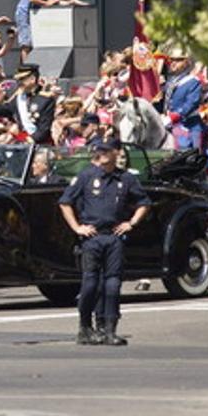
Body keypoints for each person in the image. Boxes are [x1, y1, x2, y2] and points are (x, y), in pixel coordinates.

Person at [59, 135, 152, 346]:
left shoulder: (125, 178)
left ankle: (109, 329)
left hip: (114, 237)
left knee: (112, 284)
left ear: (116, 153)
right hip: (92, 238)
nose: (100, 154)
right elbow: (65, 202)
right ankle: (85, 327)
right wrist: (77, 228)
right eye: (99, 150)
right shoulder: (86, 176)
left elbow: (144, 202)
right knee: (90, 284)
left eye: (105, 150)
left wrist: (132, 223)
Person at [0, 63, 55, 144]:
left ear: (32, 79)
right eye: (18, 80)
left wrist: (24, 139)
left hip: (41, 146)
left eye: (22, 79)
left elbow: (43, 131)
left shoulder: (46, 100)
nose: (19, 83)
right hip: (24, 145)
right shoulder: (18, 98)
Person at [163, 50, 205, 151]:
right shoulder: (169, 82)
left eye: (178, 60)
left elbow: (191, 104)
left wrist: (174, 116)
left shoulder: (194, 81)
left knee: (196, 155)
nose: (173, 62)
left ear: (187, 62)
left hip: (189, 124)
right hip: (168, 123)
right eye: (171, 60)